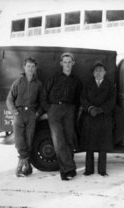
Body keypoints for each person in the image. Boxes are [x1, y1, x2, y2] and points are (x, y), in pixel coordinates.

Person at [41, 52, 81, 181]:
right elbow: (44, 94)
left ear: (73, 63)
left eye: (70, 62)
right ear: (61, 63)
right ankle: (66, 170)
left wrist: (74, 109)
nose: (67, 64)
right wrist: (49, 109)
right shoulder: (54, 78)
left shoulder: (76, 81)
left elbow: (79, 98)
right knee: (59, 141)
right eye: (65, 62)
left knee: (69, 139)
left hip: (69, 110)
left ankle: (69, 168)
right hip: (55, 110)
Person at [6, 57, 43, 177]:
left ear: (35, 68)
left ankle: (24, 167)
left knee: (29, 140)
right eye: (28, 66)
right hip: (19, 114)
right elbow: (9, 99)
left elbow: (43, 101)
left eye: (33, 67)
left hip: (31, 115)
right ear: (24, 67)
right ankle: (24, 165)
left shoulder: (38, 84)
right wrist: (14, 112)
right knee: (19, 141)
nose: (30, 69)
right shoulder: (18, 82)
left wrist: (37, 113)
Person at [80, 61, 116, 176]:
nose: (98, 72)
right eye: (96, 70)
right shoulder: (87, 84)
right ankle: (89, 170)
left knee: (103, 145)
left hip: (103, 118)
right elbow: (83, 98)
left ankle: (102, 170)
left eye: (101, 70)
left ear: (105, 72)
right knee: (89, 145)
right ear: (93, 73)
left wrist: (101, 110)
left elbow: (112, 101)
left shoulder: (110, 85)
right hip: (90, 117)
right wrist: (90, 108)